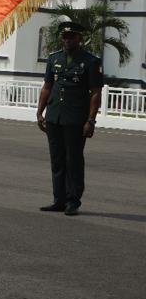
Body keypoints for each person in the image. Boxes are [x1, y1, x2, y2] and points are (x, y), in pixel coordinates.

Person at [36, 21, 103, 216]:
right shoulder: (54, 58)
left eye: (71, 37)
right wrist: (40, 112)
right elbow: (47, 86)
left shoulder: (90, 61)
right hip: (54, 115)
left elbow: (95, 93)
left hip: (75, 118)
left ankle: (73, 200)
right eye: (64, 37)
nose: (67, 40)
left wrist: (91, 120)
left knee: (73, 159)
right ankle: (59, 200)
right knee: (57, 159)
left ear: (79, 38)